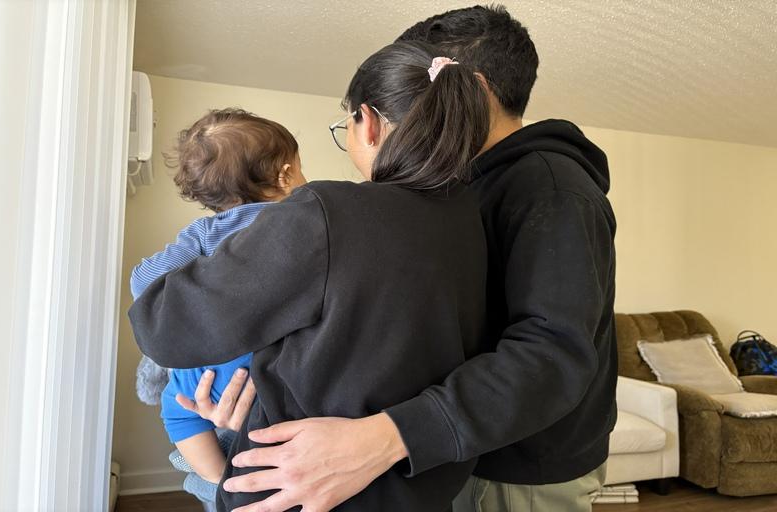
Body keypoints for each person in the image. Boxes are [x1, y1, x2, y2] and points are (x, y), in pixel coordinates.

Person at [203, 6, 618, 512]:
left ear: (470, 88)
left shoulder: (550, 189)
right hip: (440, 458)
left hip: (511, 469)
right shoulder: (447, 194)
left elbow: (551, 356)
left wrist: (386, 438)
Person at [129, 41, 492, 511]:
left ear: (369, 122)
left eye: (346, 125)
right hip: (418, 480)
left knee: (180, 408)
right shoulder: (470, 221)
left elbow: (161, 322)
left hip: (292, 478)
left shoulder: (323, 213)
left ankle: (210, 481)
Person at [129, 108, 306, 496]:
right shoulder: (303, 219)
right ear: (285, 175)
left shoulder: (204, 233)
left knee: (178, 407)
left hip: (219, 365)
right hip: (283, 362)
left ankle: (217, 481)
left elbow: (143, 281)